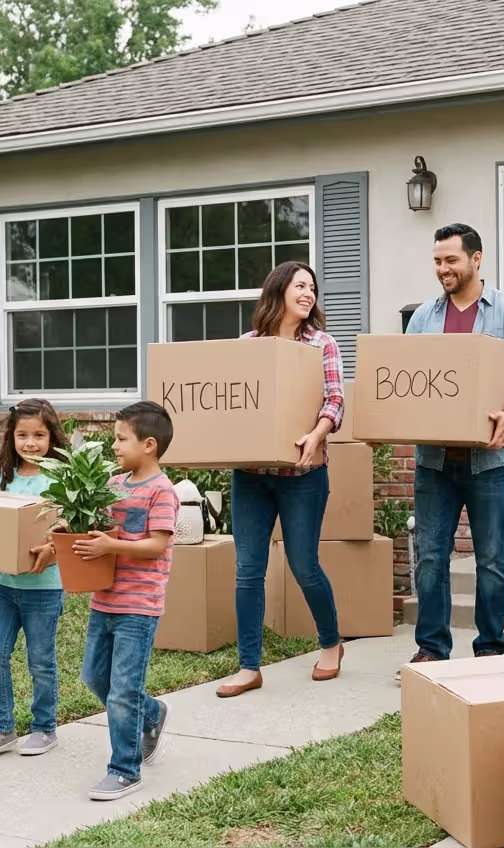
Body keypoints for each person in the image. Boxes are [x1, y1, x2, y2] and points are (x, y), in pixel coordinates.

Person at [399, 223, 504, 677]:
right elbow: (409, 381)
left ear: (476, 259)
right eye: (438, 261)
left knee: (493, 560)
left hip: (491, 460)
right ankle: (432, 648)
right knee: (431, 557)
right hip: (435, 461)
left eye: (451, 260)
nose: (443, 269)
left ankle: (489, 652)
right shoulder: (423, 317)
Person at [214, 261, 346, 699]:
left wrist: (317, 433)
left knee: (304, 565)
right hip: (251, 475)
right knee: (248, 570)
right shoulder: (248, 345)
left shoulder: (322, 345)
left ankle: (330, 644)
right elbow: (231, 405)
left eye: (313, 287)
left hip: (303, 474)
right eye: (300, 286)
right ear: (279, 291)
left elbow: (335, 400)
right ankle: (249, 666)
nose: (308, 293)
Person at [76, 401, 179, 801]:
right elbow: (95, 530)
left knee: (122, 690)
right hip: (104, 600)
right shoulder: (114, 484)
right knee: (94, 677)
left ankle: (124, 769)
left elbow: (155, 545)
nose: (114, 445)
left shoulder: (162, 491)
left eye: (121, 438)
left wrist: (110, 545)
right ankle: (152, 714)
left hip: (139, 606)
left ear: (149, 444)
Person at [0, 399, 67, 759]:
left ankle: (44, 728)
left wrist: (53, 548)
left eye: (39, 435)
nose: (30, 443)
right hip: (5, 586)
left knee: (40, 660)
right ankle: (2, 728)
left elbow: (71, 527)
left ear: (51, 436)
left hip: (44, 587)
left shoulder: (59, 478)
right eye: (22, 435)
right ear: (11, 437)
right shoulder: (2, 479)